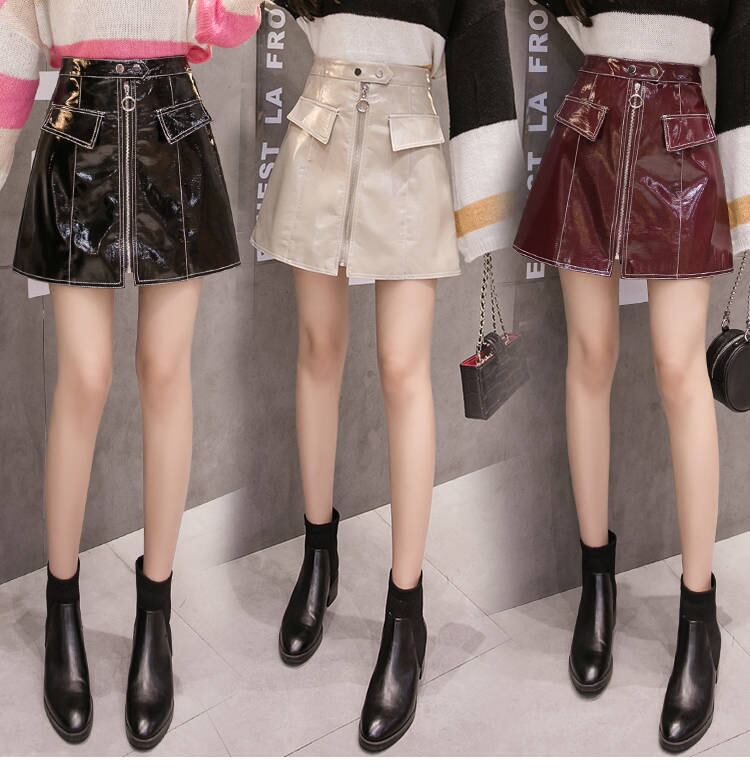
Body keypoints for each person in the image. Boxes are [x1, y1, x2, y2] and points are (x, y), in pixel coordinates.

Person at [252, 0, 521, 753]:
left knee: (404, 369)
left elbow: (482, 73)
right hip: (321, 124)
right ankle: (319, 554)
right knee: (317, 349)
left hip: (411, 143)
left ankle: (407, 613)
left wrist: (486, 216)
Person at [0, 0, 262, 750]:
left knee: (165, 372)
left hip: (171, 126)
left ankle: (156, 615)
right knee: (84, 378)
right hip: (77, 131)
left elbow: (235, 20)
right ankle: (63, 608)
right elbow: (16, 29)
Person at [514, 0, 749, 754]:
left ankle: (698, 616)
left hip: (684, 138)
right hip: (592, 126)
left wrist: (745, 211)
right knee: (590, 356)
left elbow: (743, 63)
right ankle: (597, 582)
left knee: (680, 371)